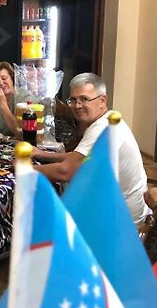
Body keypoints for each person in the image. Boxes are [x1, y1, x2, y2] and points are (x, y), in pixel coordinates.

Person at [32, 72, 150, 225]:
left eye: (84, 99)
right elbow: (77, 157)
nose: (77, 105)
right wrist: (42, 154)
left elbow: (66, 171)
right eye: (73, 100)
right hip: (128, 210)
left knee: (45, 214)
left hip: (121, 223)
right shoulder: (109, 118)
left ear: (102, 100)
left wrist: (28, 169)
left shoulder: (102, 128)